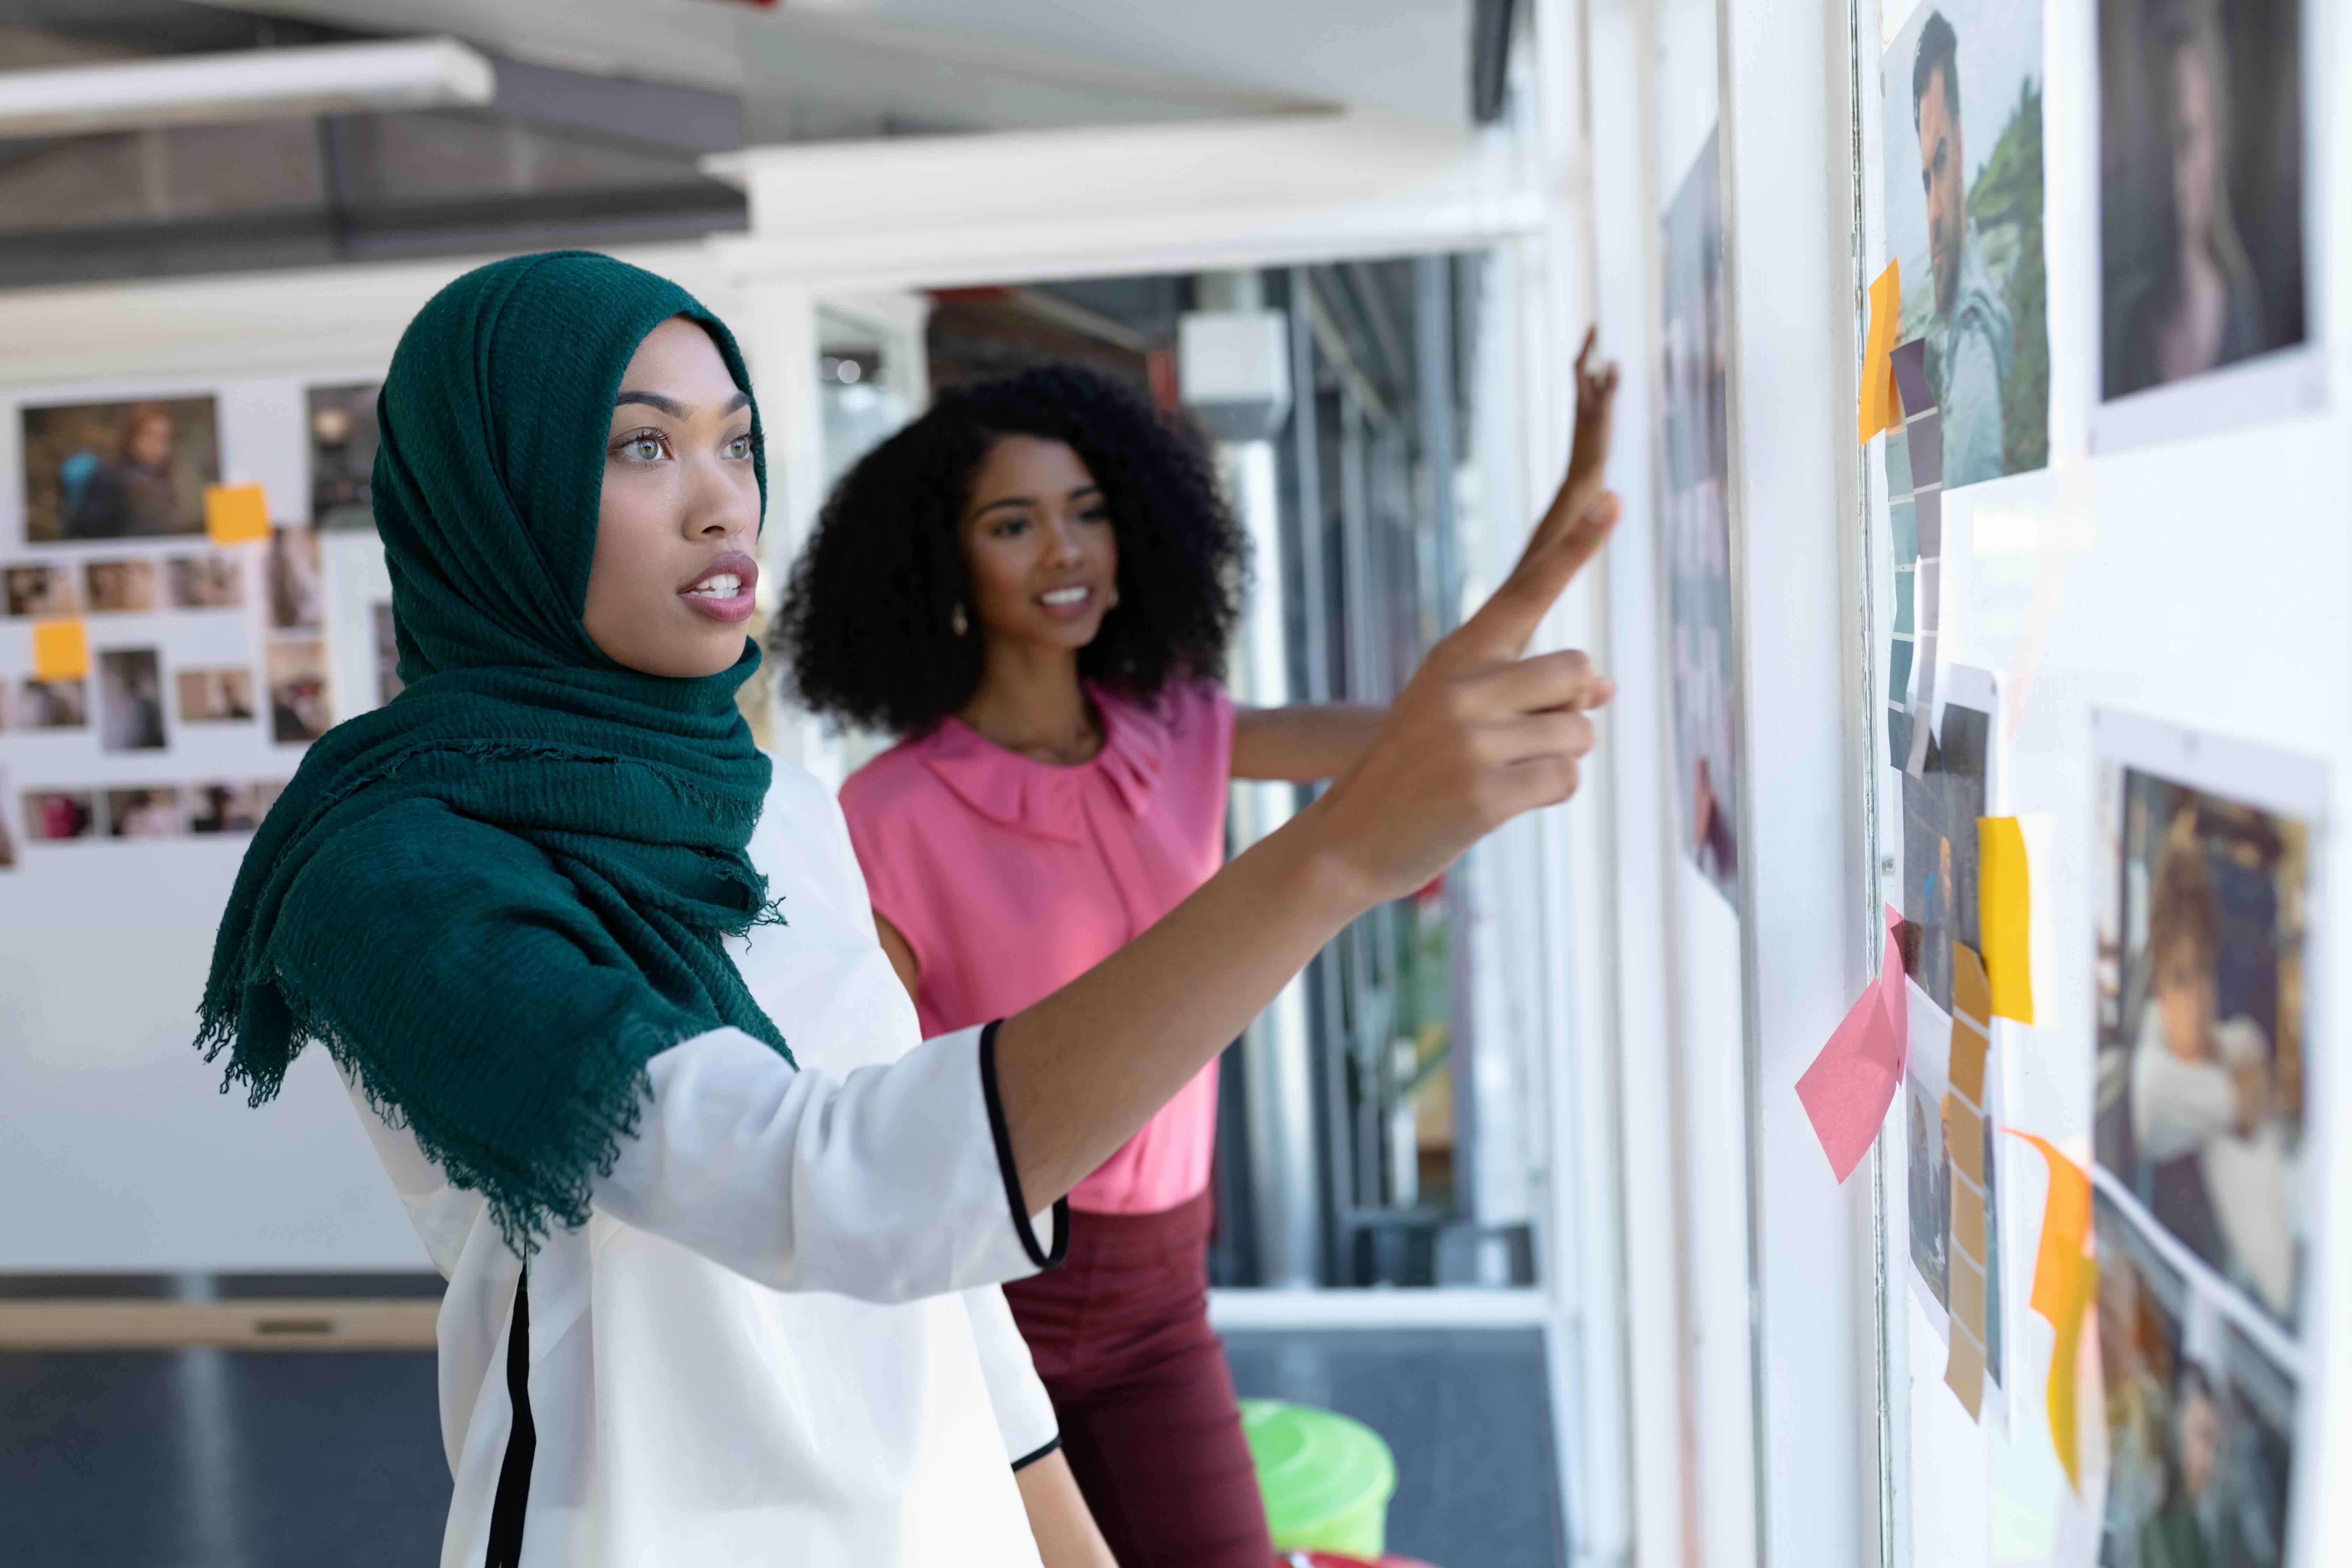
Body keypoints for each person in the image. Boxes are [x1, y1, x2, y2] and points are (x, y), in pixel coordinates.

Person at [194, 252, 1618, 1567]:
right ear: (489, 489)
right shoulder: (389, 871)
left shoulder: (778, 804)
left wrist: (1065, 1540)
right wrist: (1338, 859)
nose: (720, 498)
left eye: (734, 441)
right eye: (642, 446)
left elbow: (932, 1288)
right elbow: (826, 1181)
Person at [785, 344, 1619, 1568]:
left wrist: (1575, 497)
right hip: (983, 1295)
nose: (1066, 551)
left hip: (1165, 1292)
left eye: (1089, 514)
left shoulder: (1182, 733)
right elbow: (882, 1119)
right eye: (1014, 524)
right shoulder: (889, 815)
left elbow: (1422, 735)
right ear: (945, 563)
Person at [2129, 814, 2295, 1321]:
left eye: (2204, 976)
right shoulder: (2156, 1082)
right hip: (2271, 1307)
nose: (2196, 1004)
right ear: (2159, 983)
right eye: (2182, 981)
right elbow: (2247, 1094)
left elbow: (2255, 1064)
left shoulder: (2231, 1036)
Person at [2108, 0, 2265, 397]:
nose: (2176, 169)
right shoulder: (2127, 327)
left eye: (2190, 138)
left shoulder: (2244, 318)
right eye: (2164, 142)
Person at [1911, 11, 2013, 488]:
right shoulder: (1957, 328)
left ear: (1964, 143)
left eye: (1943, 161)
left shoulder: (1972, 343)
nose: (1932, 211)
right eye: (1924, 179)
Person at [68, 404, 187, 538]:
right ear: (132, 438)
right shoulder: (107, 480)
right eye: (152, 437)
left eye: (166, 439)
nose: (161, 447)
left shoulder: (164, 481)